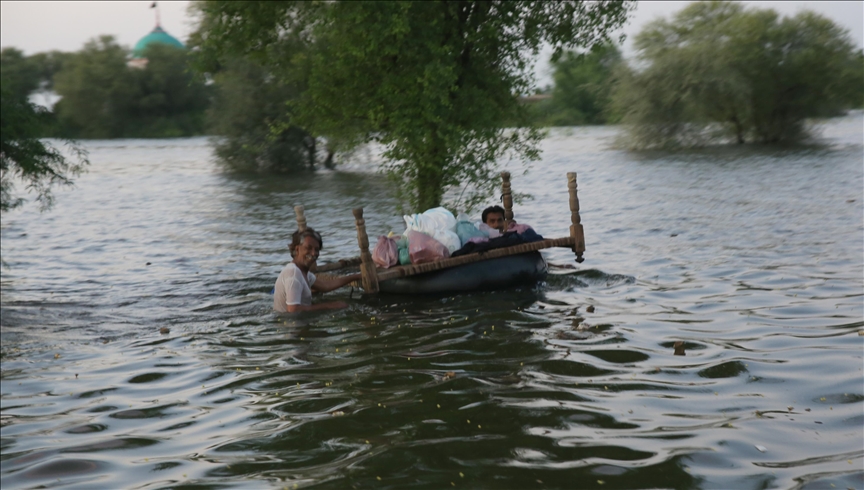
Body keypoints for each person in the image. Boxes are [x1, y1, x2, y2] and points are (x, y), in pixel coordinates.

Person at [274, 228, 361, 313]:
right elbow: (293, 310)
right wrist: (329, 306)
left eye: (316, 249)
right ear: (297, 249)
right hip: (289, 322)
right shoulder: (293, 273)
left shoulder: (303, 272)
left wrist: (355, 277)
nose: (313, 253)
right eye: (308, 248)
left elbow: (325, 286)